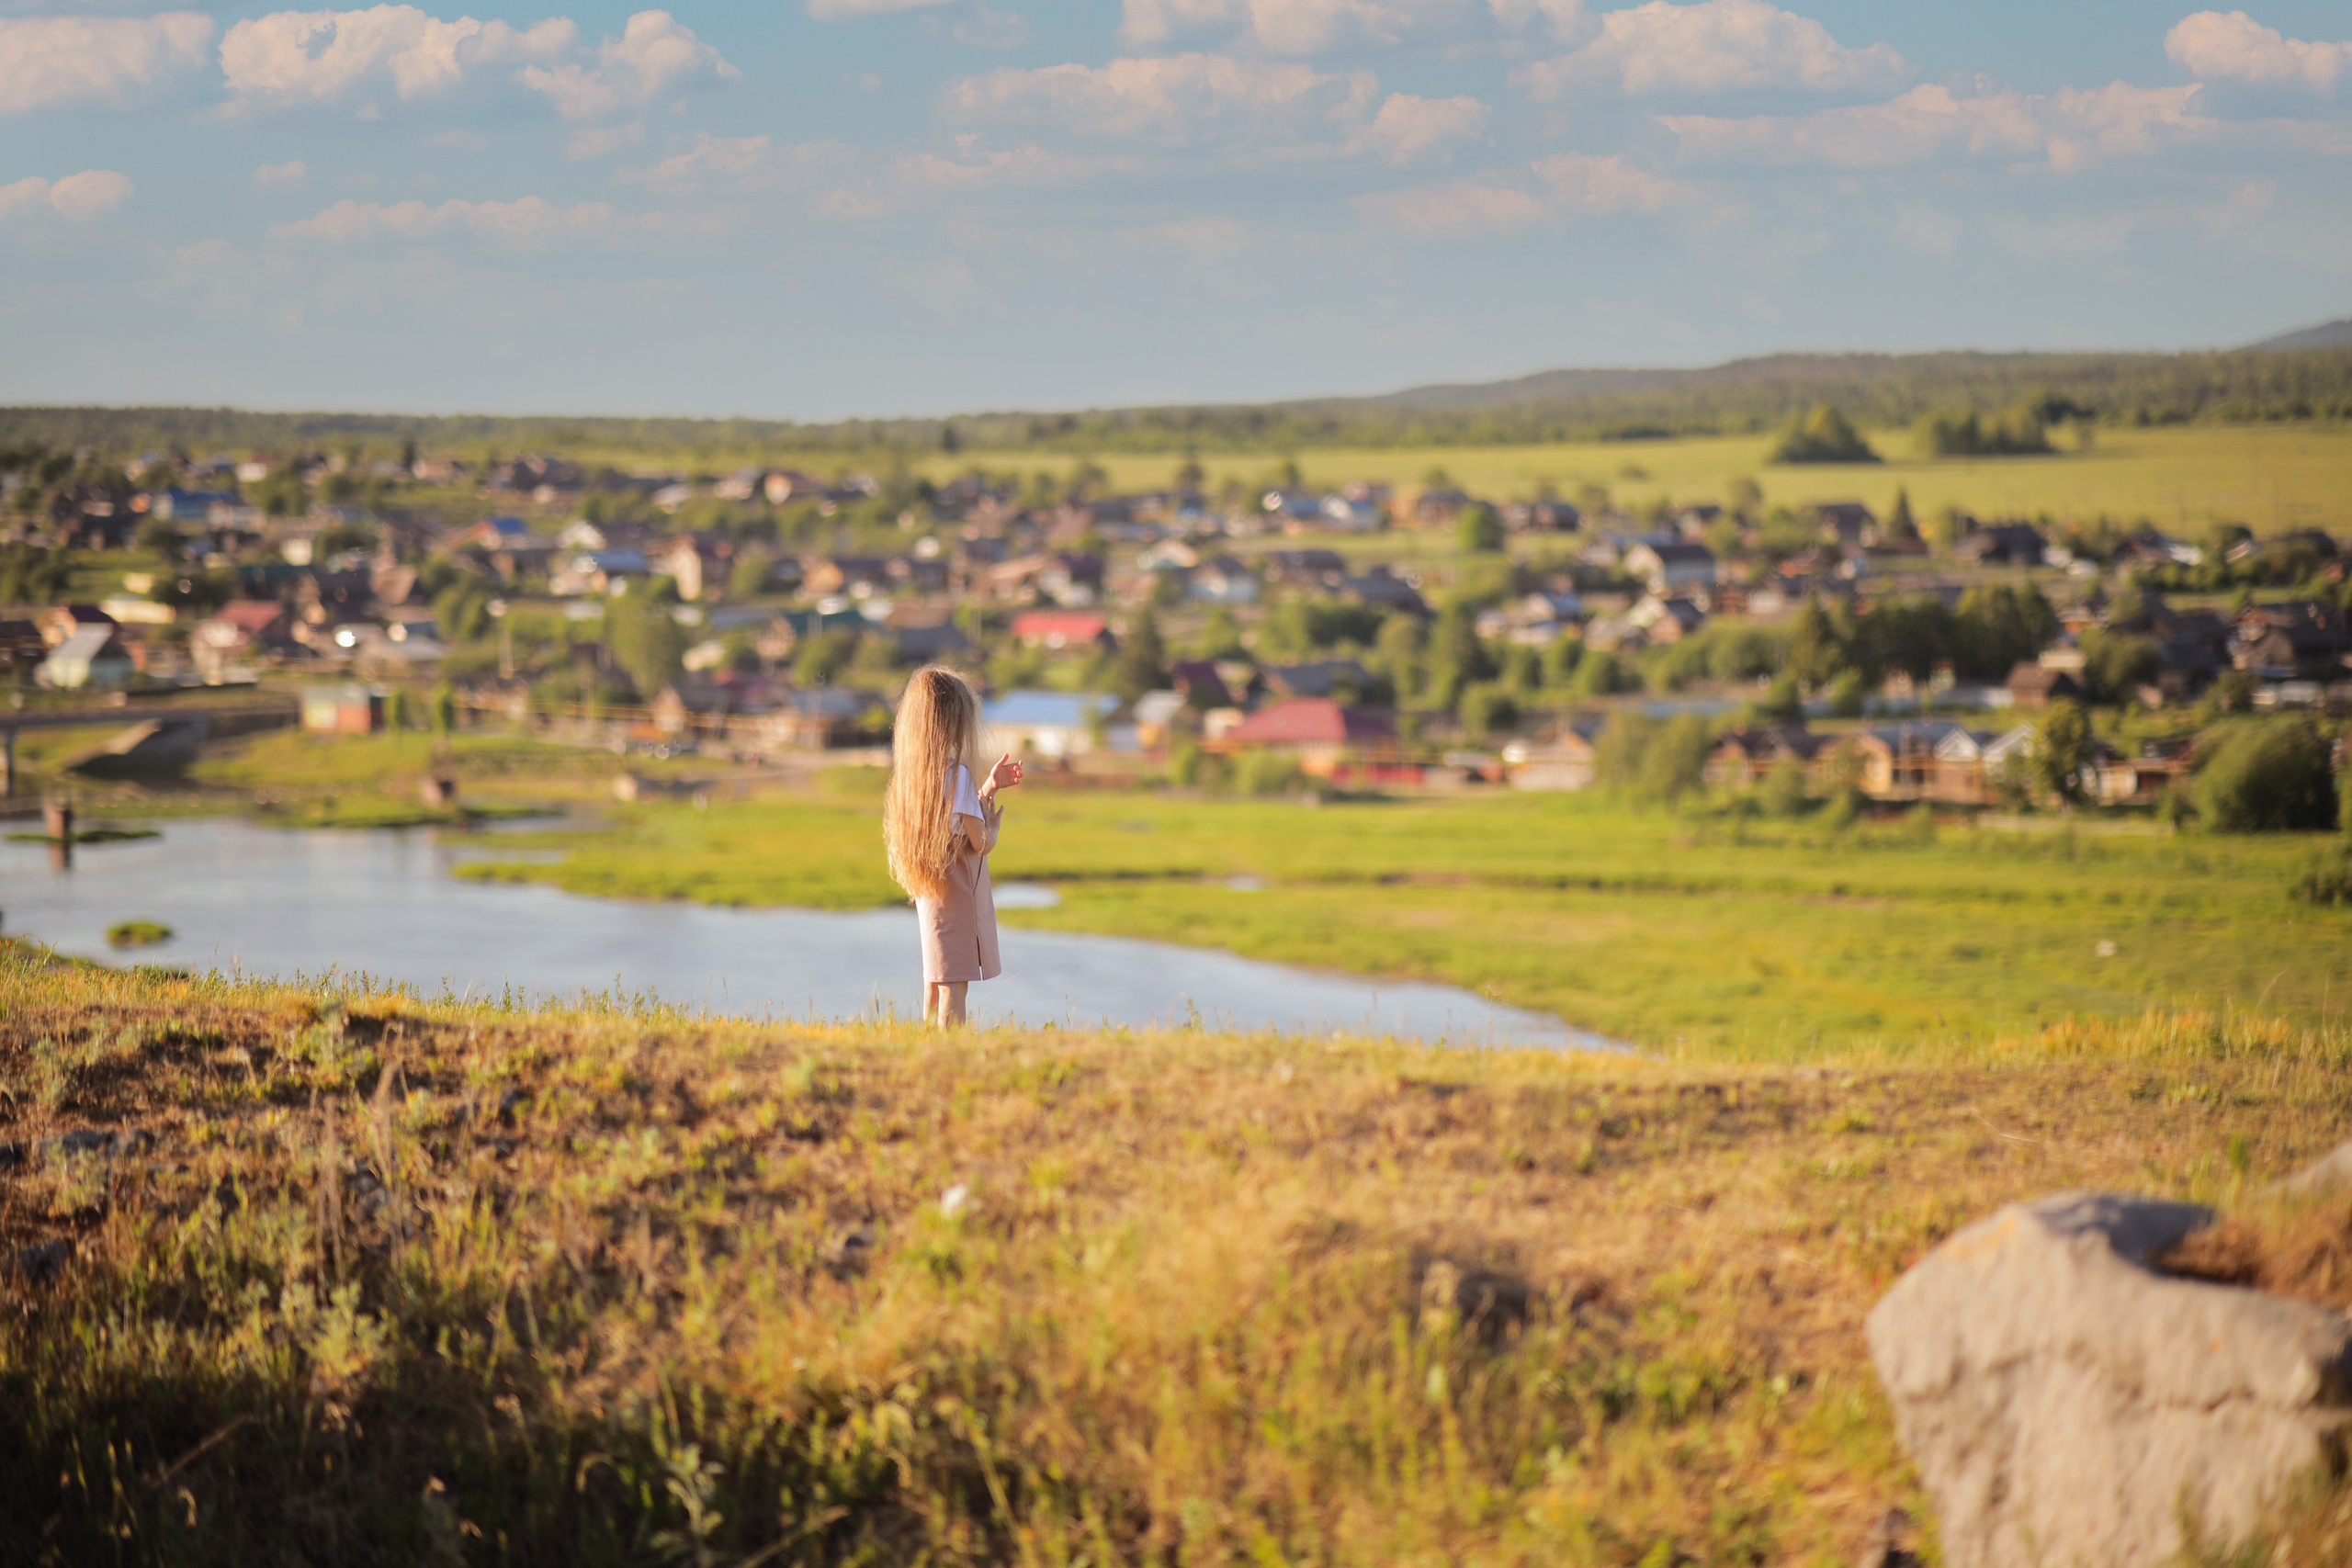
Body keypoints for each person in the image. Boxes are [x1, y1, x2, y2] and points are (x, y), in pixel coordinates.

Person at [884, 666, 1022, 1026]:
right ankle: (949, 1053)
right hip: (958, 895)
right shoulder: (957, 773)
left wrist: (987, 789)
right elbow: (980, 841)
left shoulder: (917, 777)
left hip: (932, 891)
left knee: (935, 979)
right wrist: (992, 826)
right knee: (954, 988)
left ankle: (926, 1044)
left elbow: (952, 818)